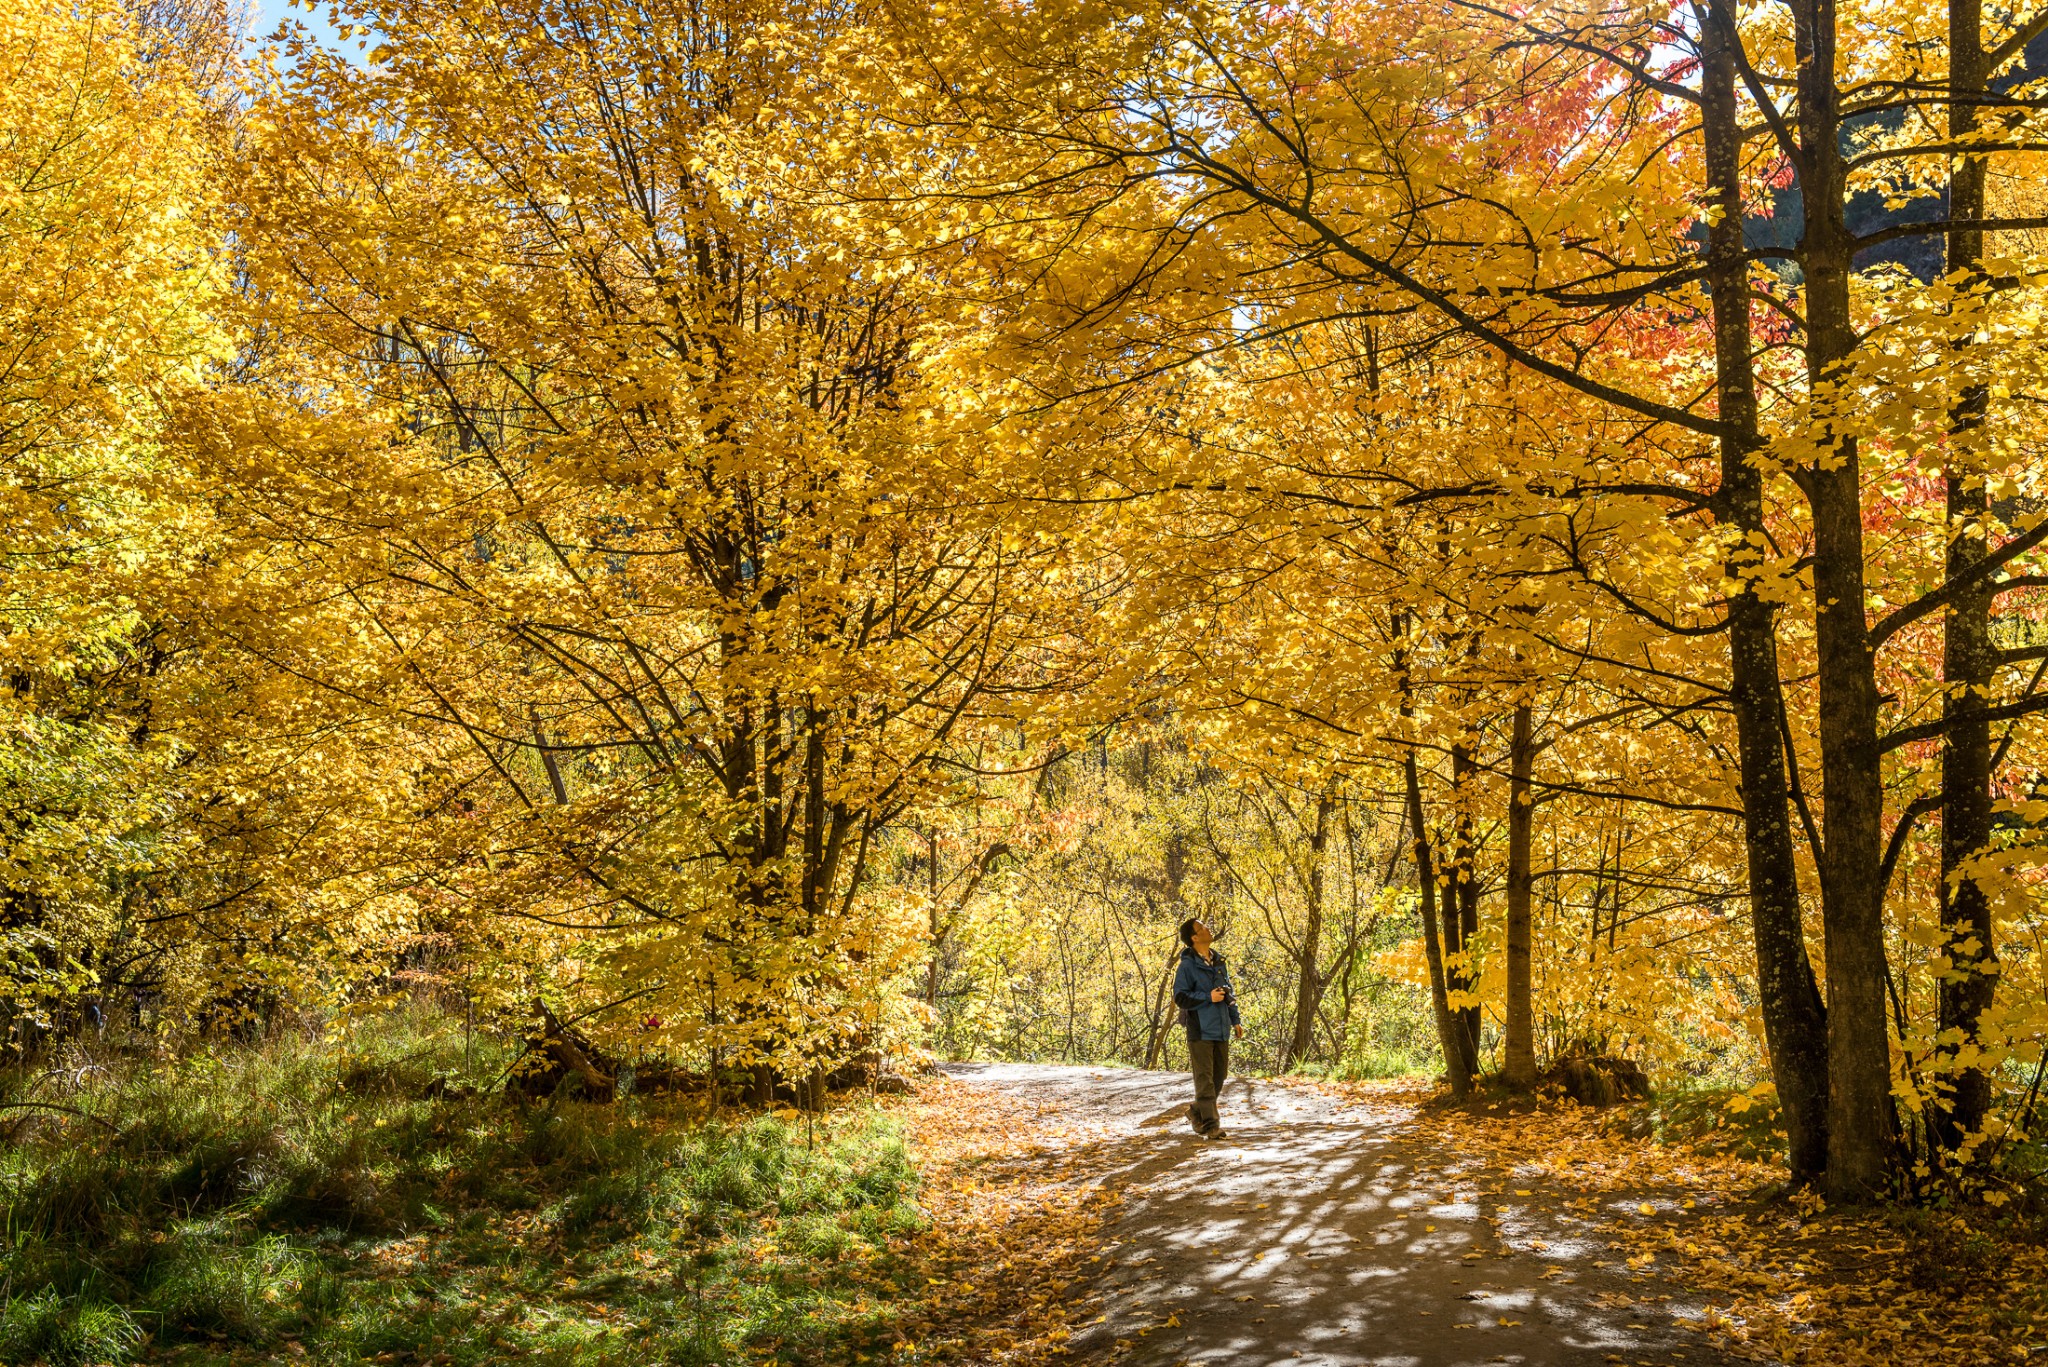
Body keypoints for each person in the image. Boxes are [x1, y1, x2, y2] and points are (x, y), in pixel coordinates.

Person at [1172, 917, 1243, 1139]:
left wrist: (1236, 1019)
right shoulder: (1187, 966)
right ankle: (1211, 1126)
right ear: (1194, 937)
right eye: (1202, 927)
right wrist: (1207, 997)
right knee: (1205, 1079)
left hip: (1221, 1027)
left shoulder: (1219, 962)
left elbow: (1228, 993)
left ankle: (1195, 1112)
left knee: (1220, 1076)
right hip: (1200, 1030)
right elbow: (1180, 997)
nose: (1207, 928)